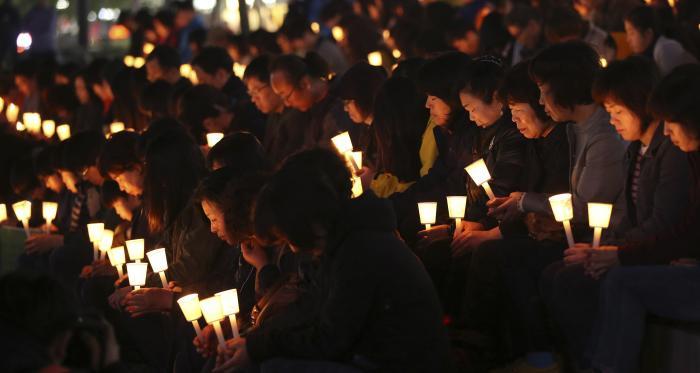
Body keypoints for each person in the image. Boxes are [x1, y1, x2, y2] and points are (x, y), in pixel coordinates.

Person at [213, 149, 452, 372]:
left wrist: (257, 349)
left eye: (291, 237)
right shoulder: (344, 242)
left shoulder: (360, 250)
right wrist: (250, 340)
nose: (294, 248)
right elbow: (313, 310)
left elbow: (331, 338)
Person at [483, 42, 627, 371]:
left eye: (544, 91)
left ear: (566, 87)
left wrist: (523, 202)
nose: (542, 100)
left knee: (532, 265)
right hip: (582, 234)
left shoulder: (603, 136)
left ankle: (557, 357)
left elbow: (586, 205)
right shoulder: (579, 130)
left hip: (602, 238)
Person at [543, 56, 691, 371]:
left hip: (656, 253)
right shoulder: (636, 148)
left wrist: (614, 253)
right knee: (558, 273)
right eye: (609, 113)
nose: (612, 121)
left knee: (590, 282)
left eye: (617, 112)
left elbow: (666, 224)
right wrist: (605, 248)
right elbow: (630, 216)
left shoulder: (674, 153)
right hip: (645, 248)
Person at [591, 63, 700, 373]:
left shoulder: (679, 156)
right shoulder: (692, 155)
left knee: (623, 281)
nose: (666, 132)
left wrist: (621, 255)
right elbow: (692, 228)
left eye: (672, 123)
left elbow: (681, 228)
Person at [269, 53, 354, 149]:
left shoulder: (343, 105)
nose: (287, 103)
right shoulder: (310, 110)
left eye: (286, 96)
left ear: (304, 83)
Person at [243, 55, 309, 165]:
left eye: (256, 91)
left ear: (274, 83)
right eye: (251, 94)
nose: (254, 99)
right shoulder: (273, 116)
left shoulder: (295, 117)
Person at [338, 62, 387, 169]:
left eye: (348, 102)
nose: (345, 109)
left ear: (363, 97)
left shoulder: (385, 132)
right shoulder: (367, 131)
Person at [624, 5, 698, 76]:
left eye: (631, 33)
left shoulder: (665, 49)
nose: (628, 39)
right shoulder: (652, 52)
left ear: (648, 33)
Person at [278, 15, 349, 75]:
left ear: (304, 36)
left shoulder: (324, 50)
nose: (296, 46)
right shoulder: (321, 46)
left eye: (295, 42)